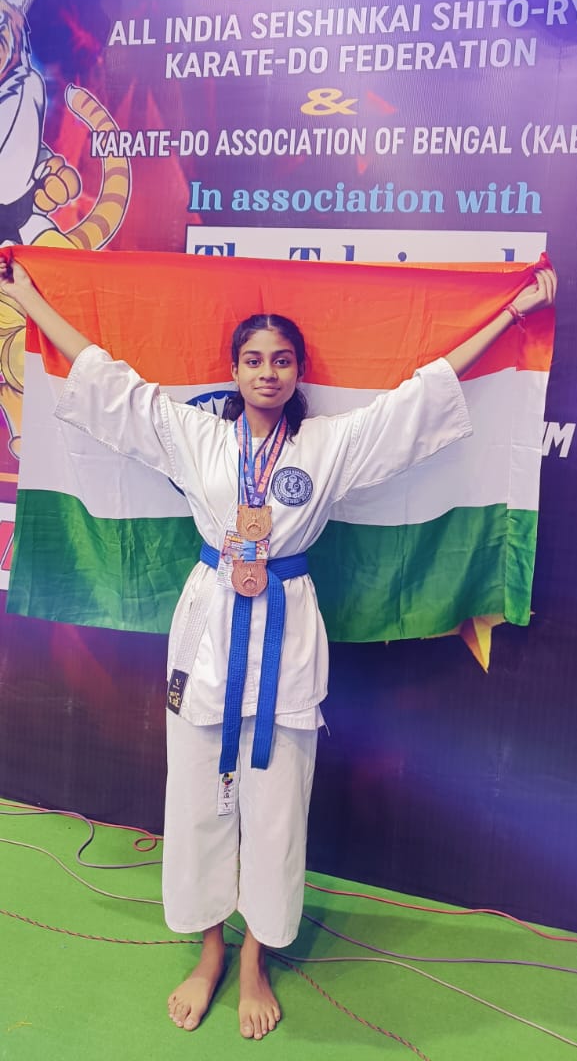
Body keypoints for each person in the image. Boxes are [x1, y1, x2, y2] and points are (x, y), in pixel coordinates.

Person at [0, 256, 556, 1040]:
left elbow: (418, 398)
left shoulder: (328, 445)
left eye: (282, 360)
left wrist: (505, 317)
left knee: (276, 809)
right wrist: (28, 298)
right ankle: (208, 950)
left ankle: (256, 955)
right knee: (195, 799)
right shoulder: (194, 434)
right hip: (206, 626)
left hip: (286, 629)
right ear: (232, 371)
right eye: (254, 360)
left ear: (297, 373)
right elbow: (105, 379)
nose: (267, 373)